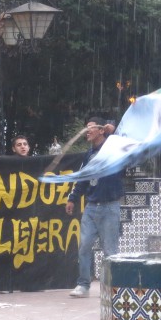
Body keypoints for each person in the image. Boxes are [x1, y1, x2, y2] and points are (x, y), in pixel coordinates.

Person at [64, 117, 125, 298]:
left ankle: (110, 288)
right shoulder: (89, 155)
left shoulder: (114, 149)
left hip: (110, 207)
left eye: (91, 128)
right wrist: (73, 199)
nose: (87, 131)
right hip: (91, 207)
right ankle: (83, 285)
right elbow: (83, 179)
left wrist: (113, 131)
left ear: (101, 130)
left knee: (110, 251)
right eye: (86, 128)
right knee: (84, 247)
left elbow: (128, 147)